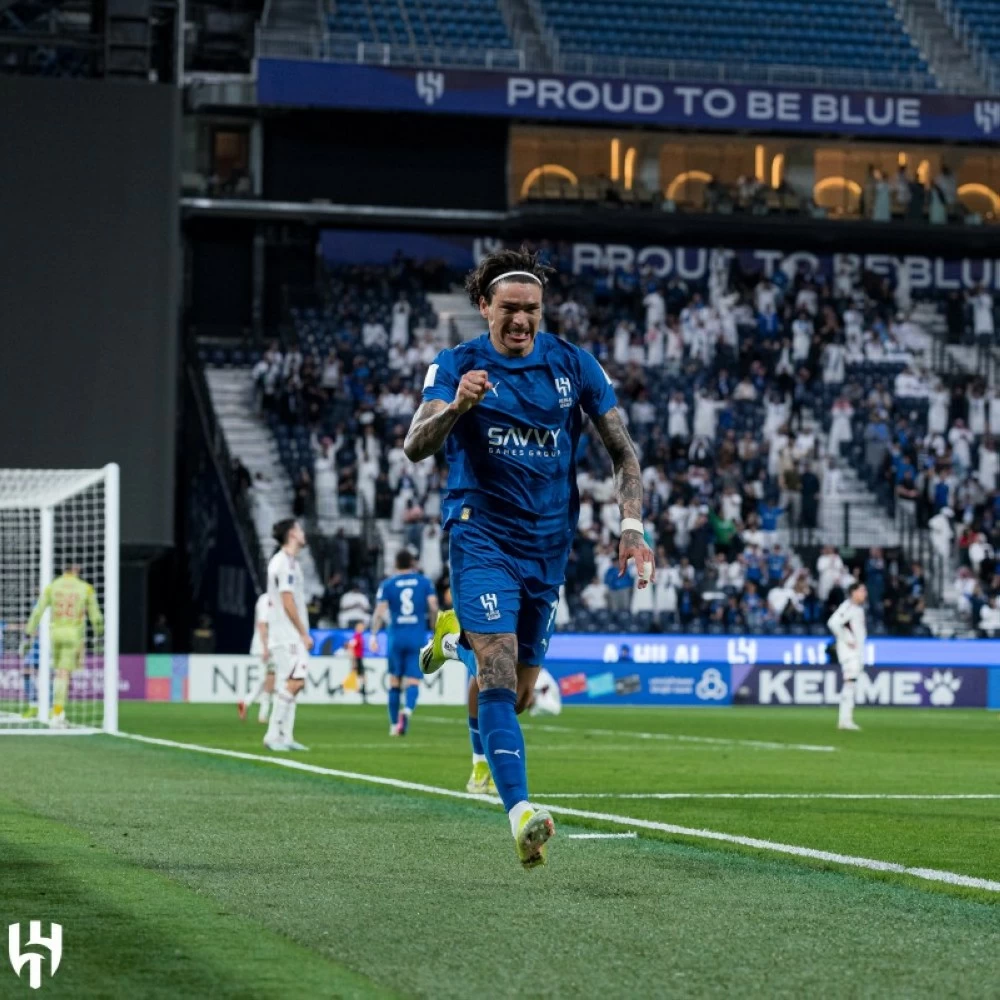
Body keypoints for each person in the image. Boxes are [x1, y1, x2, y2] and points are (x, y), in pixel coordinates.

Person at [403, 246, 654, 868]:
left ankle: (454, 640)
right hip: (481, 534)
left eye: (532, 310)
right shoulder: (456, 364)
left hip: (548, 545)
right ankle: (520, 814)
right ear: (483, 306)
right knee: (497, 667)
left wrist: (631, 525)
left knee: (517, 695)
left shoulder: (573, 364)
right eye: (509, 308)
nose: (521, 320)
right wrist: (458, 407)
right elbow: (414, 445)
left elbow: (623, 452)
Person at [23, 563, 104, 728]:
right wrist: (99, 633)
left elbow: (38, 611)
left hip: (55, 633)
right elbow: (95, 616)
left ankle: (50, 708)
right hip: (73, 634)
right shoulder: (85, 588)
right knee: (63, 674)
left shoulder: (52, 586)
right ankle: (57, 713)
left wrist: (28, 632)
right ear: (76, 568)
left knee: (58, 672)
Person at [370, 550, 437, 736]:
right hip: (416, 636)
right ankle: (406, 711)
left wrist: (373, 635)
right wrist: (434, 630)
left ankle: (393, 726)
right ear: (412, 563)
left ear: (396, 564)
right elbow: (433, 607)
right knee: (413, 680)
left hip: (396, 636)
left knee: (394, 681)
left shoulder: (388, 584)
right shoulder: (424, 582)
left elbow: (380, 611)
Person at [262, 518, 312, 752]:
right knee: (295, 681)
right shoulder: (284, 564)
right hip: (288, 634)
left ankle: (286, 736)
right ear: (292, 533)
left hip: (285, 633)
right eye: (299, 529)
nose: (303, 533)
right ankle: (272, 735)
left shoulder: (289, 562)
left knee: (290, 684)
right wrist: (302, 633)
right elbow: (287, 600)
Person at [827, 581, 868, 732]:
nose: (865, 594)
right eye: (862, 591)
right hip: (849, 653)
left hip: (856, 652)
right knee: (850, 683)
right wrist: (847, 638)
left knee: (851, 684)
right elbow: (833, 622)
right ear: (853, 592)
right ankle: (845, 720)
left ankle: (846, 720)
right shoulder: (848, 606)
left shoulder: (857, 609)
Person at [237, 592, 275, 724]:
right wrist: (265, 647)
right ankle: (253, 707)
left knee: (268, 678)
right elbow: (262, 624)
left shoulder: (276, 599)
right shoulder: (266, 600)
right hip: (265, 645)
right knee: (268, 678)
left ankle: (256, 710)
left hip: (272, 645)